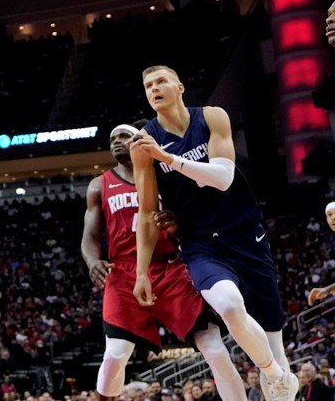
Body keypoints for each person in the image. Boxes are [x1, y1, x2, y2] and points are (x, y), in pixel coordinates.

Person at [130, 65, 297, 401]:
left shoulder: (212, 117)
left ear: (179, 86)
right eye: (148, 86)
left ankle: (278, 375)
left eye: (160, 81)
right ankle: (276, 375)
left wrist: (168, 158)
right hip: (200, 243)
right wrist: (140, 271)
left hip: (245, 233)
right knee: (229, 306)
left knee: (273, 340)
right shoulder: (143, 145)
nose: (154, 88)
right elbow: (147, 214)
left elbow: (223, 178)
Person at [81, 121, 245, 401]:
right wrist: (92, 261)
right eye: (112, 139)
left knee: (215, 348)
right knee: (115, 355)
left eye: (124, 136)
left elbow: (195, 220)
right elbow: (90, 236)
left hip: (170, 266)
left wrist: (176, 224)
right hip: (124, 271)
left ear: (141, 142)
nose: (116, 142)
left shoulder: (167, 177)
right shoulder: (99, 185)